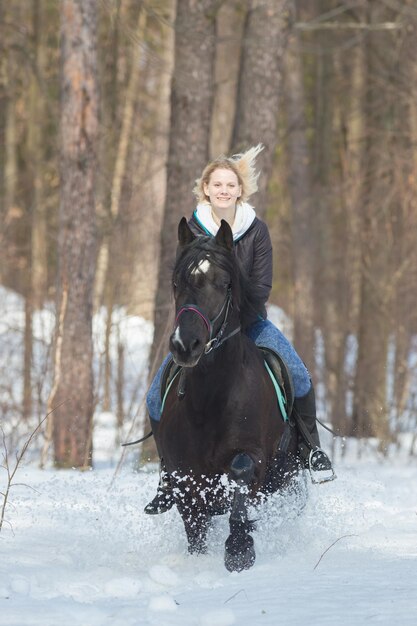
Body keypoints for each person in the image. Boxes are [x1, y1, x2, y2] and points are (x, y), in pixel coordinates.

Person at [144, 144, 333, 515]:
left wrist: (234, 312)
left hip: (248, 321)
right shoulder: (192, 229)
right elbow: (182, 282)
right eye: (217, 184)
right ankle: (168, 475)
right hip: (200, 325)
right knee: (155, 395)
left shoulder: (256, 231)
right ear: (206, 189)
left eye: (231, 184)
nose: (224, 190)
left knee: (299, 374)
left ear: (240, 189)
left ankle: (311, 449)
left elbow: (262, 286)